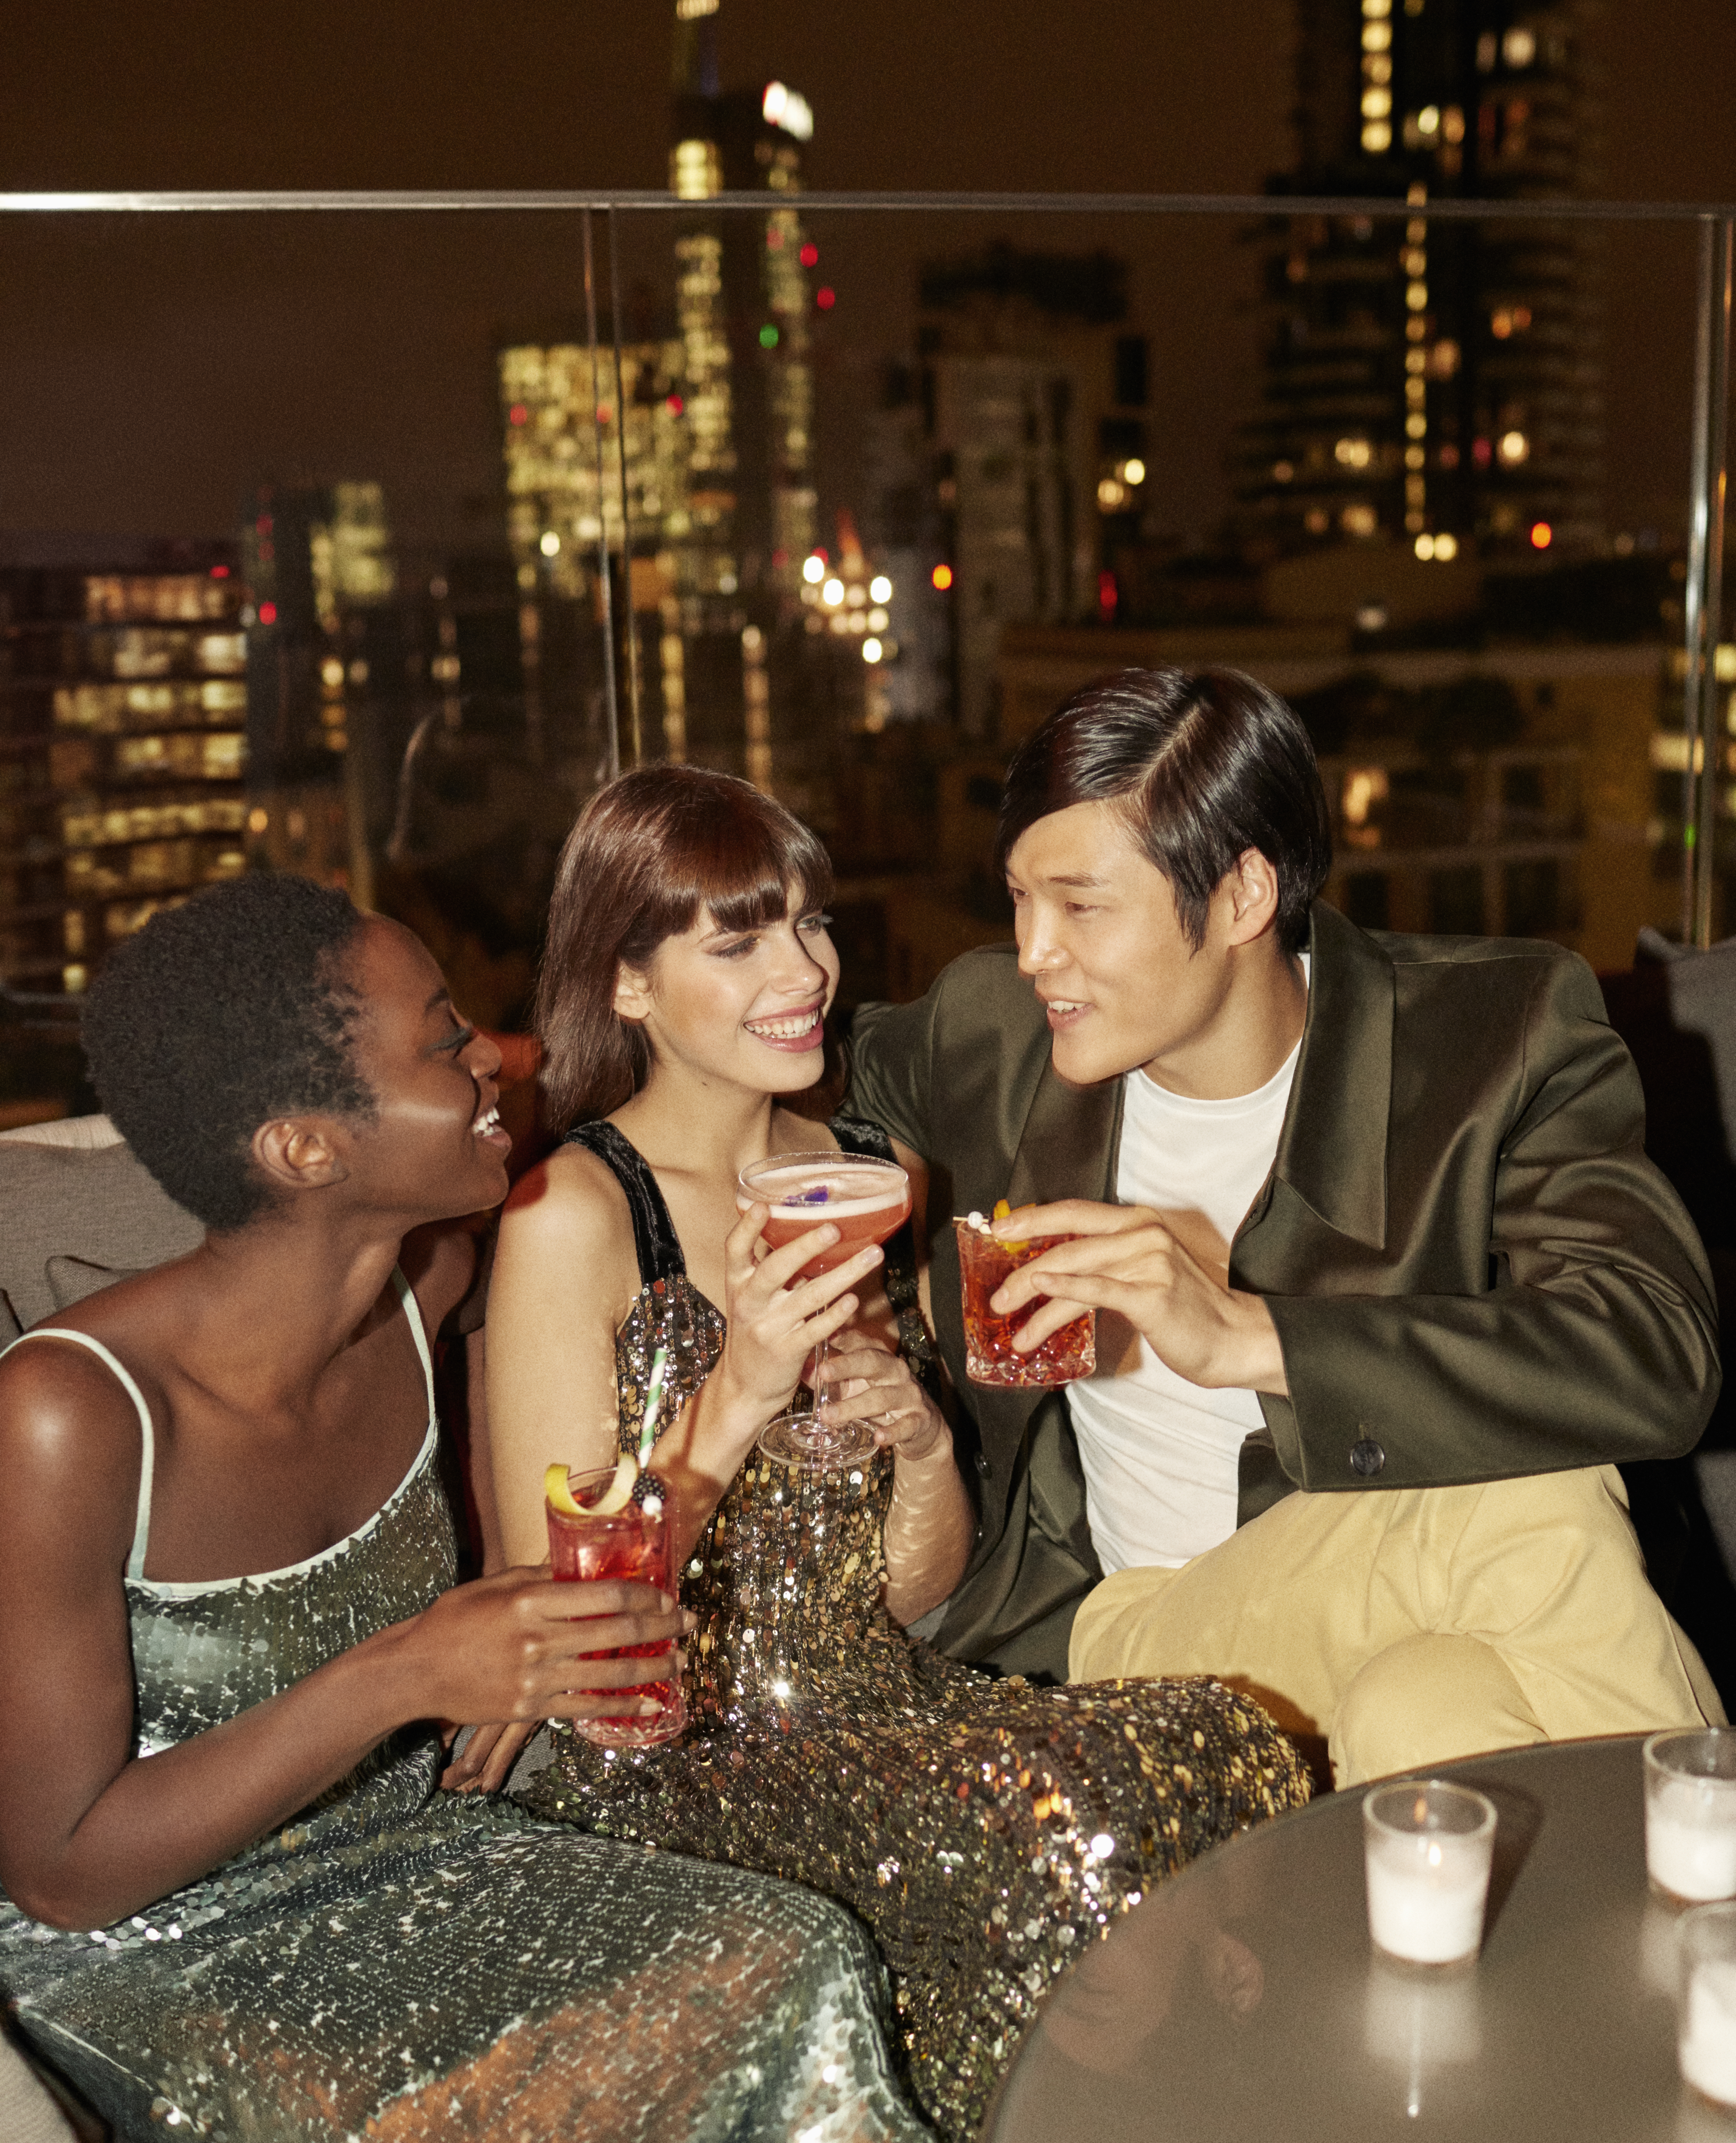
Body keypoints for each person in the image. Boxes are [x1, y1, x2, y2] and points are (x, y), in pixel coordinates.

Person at [0, 874, 926, 2143]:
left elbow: (589, 1516)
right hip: (151, 1950)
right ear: (304, 1148)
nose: (496, 1056)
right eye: (445, 1041)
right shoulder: (68, 1412)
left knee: (795, 1947)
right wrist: (407, 1671)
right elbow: (61, 1869)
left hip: (402, 1859)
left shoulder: (423, 1280)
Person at [483, 764, 1309, 2143]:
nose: (802, 968)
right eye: (736, 939)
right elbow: (558, 1637)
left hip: (880, 1692)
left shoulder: (864, 1165)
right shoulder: (571, 1212)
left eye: (810, 922)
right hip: (677, 1751)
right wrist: (738, 1388)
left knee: (1218, 1741)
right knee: (1079, 1836)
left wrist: (920, 1437)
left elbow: (914, 1593)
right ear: (625, 983)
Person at [841, 666, 1723, 1788]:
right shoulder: (996, 1033)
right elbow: (834, 1080)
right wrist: (882, 1229)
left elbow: (1657, 1349)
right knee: (1533, 1494)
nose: (1033, 952)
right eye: (1019, 898)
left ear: (1246, 895)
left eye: (1080, 904)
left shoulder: (1490, 1040)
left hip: (1396, 1619)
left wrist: (1252, 1336)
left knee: (1427, 1716)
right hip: (1134, 1636)